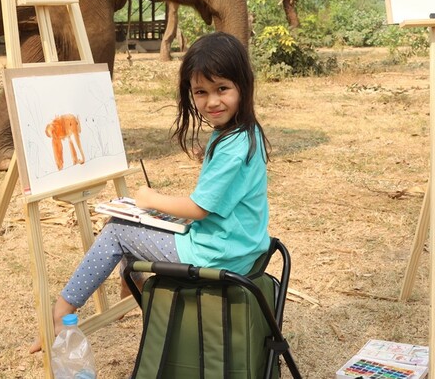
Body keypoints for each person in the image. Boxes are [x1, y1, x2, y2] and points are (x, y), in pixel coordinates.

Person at [29, 31, 271, 352]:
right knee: (132, 224)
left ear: (244, 85)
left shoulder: (231, 146)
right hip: (243, 248)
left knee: (117, 230)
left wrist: (149, 199)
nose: (212, 101)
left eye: (222, 89)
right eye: (201, 92)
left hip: (217, 255)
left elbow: (200, 209)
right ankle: (135, 286)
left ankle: (60, 313)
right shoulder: (244, 132)